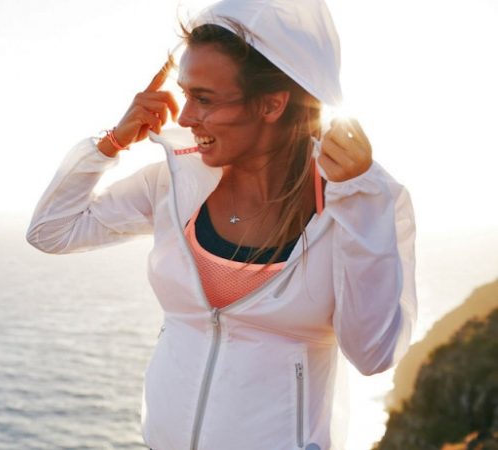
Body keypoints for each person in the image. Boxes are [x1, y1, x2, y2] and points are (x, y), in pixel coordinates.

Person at [26, 0, 417, 448]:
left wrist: (359, 201)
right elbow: (51, 231)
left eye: (204, 98)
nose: (183, 117)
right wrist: (111, 142)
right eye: (185, 93)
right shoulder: (172, 183)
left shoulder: (362, 201)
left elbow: (373, 353)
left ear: (272, 104)